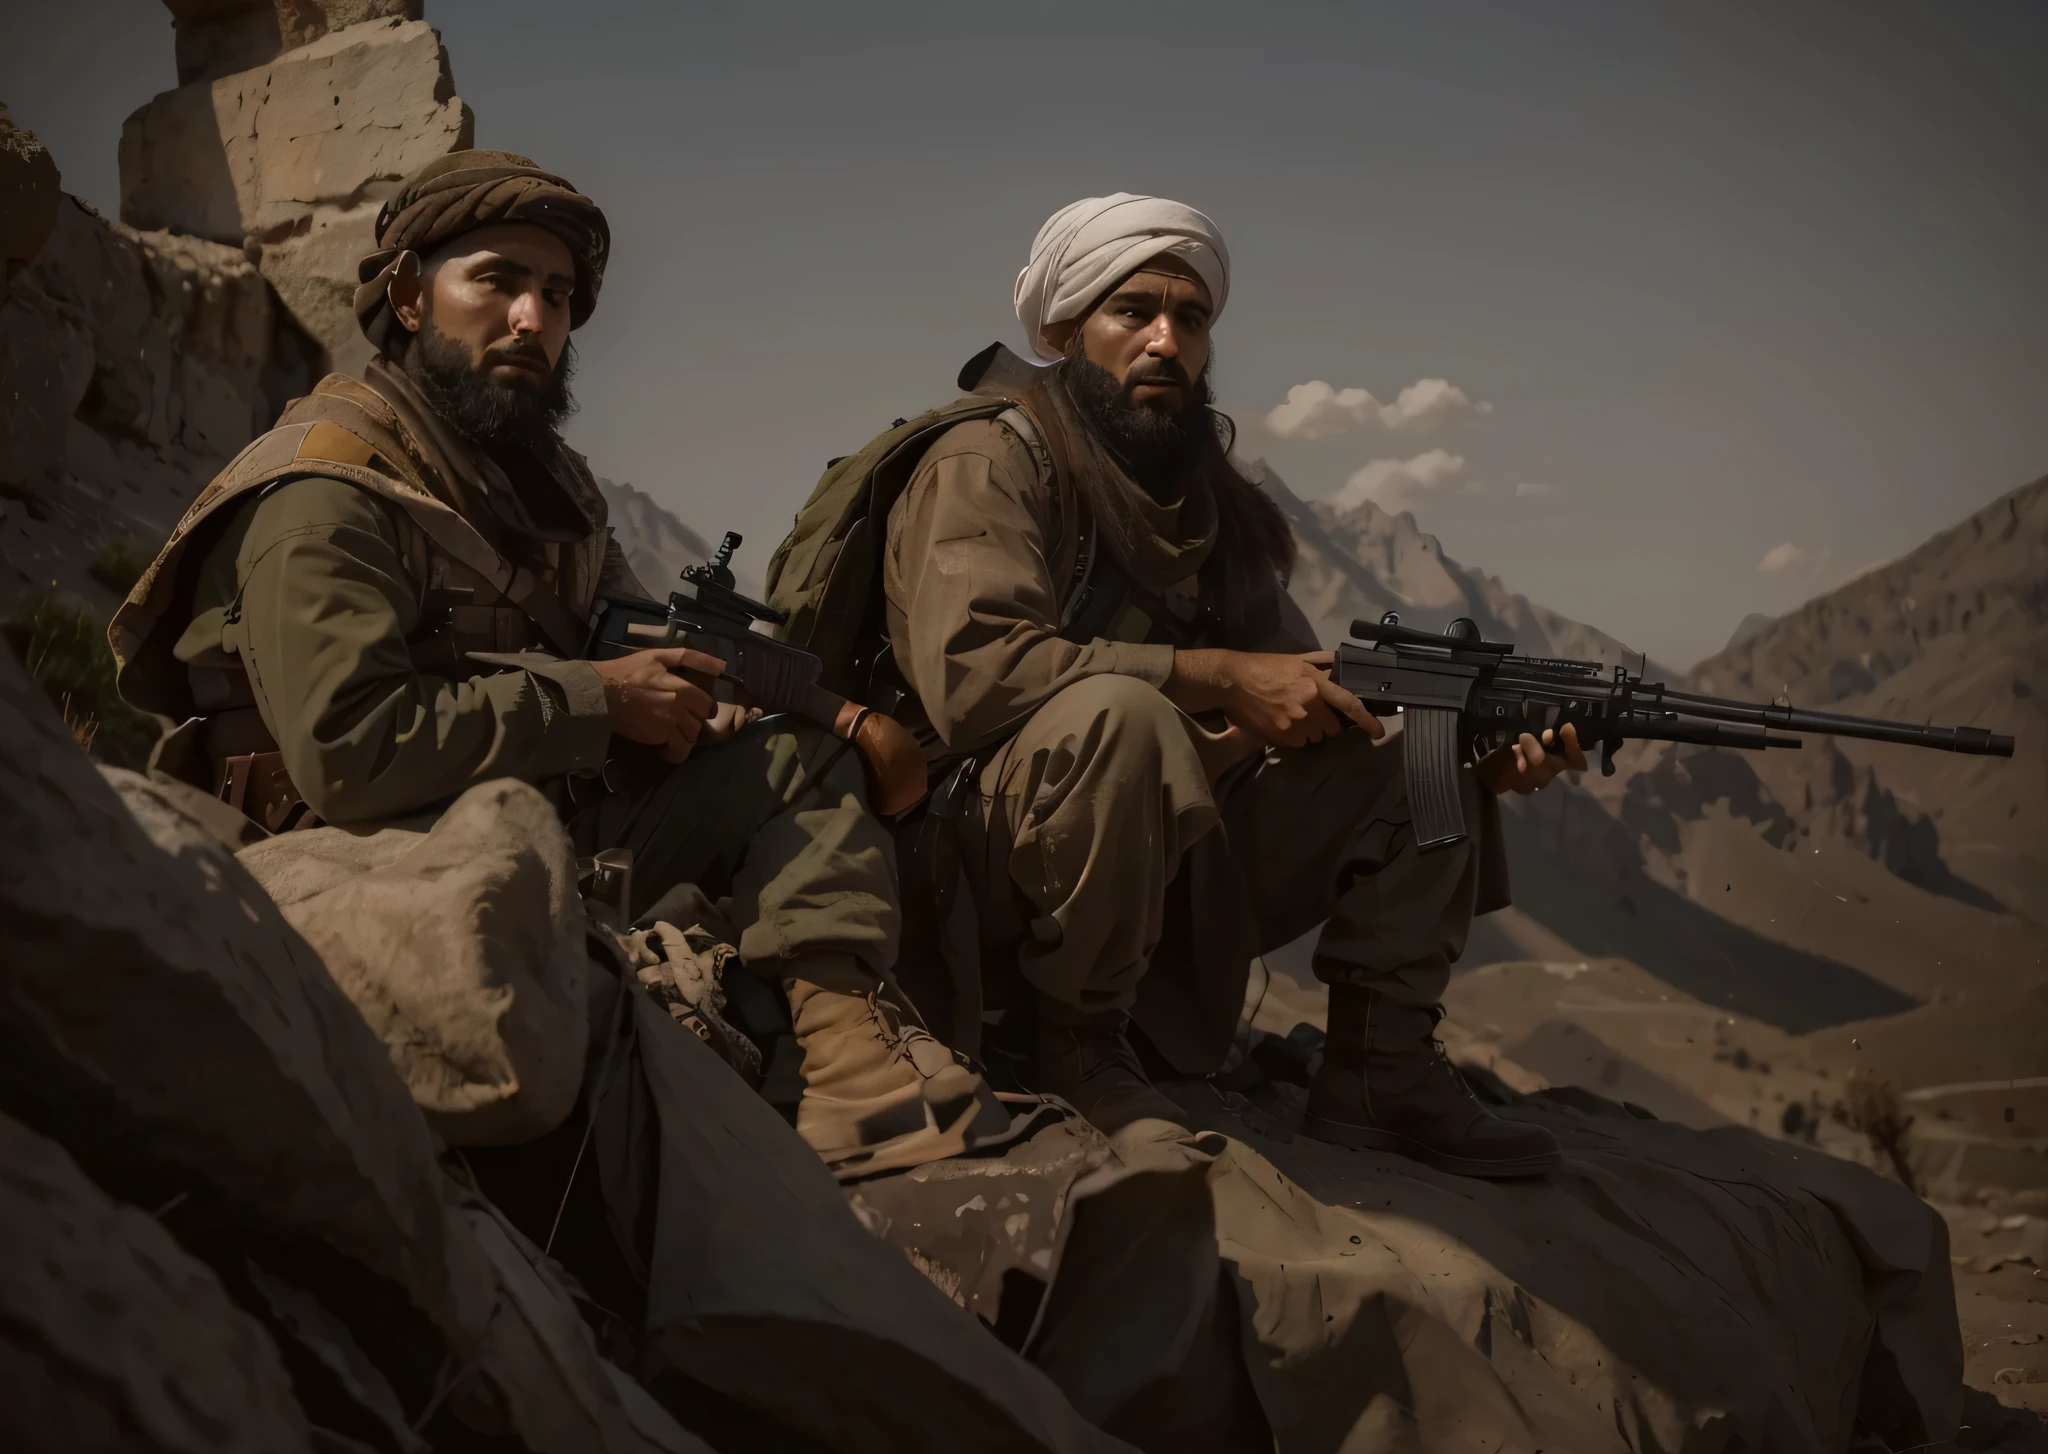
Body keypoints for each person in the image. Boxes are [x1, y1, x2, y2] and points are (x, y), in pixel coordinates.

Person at [108, 150, 1003, 1174]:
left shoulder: (552, 493)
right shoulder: (324, 491)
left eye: (558, 294)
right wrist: (596, 700)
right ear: (407, 294)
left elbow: (622, 650)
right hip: (347, 854)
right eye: (496, 281)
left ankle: (850, 1068)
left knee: (798, 763)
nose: (532, 320)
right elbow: (345, 751)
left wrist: (689, 710)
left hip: (519, 812)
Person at [875, 193, 1583, 1176]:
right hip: (967, 865)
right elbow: (974, 678)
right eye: (1133, 313)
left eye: (1190, 318)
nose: (1165, 341)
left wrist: (1473, 760)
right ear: (1064, 328)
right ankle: (1071, 1048)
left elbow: (1298, 689)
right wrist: (1211, 677)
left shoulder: (1205, 506)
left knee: (1413, 739)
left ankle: (1378, 1073)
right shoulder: (987, 461)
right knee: (1120, 716)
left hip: (1142, 862)